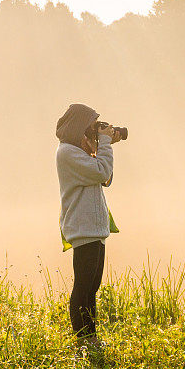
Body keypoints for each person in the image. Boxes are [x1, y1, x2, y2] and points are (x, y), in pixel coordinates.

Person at [55, 103, 121, 352]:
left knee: (92, 285)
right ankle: (83, 337)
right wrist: (103, 145)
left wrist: (96, 147)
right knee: (83, 285)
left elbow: (105, 177)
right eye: (90, 126)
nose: (93, 131)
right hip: (84, 227)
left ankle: (89, 336)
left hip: (93, 227)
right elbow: (102, 170)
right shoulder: (66, 153)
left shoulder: (78, 151)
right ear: (78, 126)